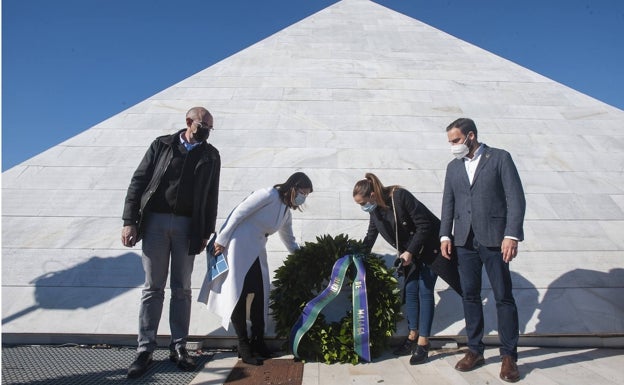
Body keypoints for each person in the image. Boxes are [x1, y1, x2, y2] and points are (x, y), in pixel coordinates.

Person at [121, 107, 221, 379]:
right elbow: (139, 181)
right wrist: (129, 220)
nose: (207, 130)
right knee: (153, 287)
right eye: (203, 125)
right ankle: (145, 349)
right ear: (189, 122)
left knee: (182, 288)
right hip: (154, 222)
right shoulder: (162, 145)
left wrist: (205, 232)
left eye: (211, 127)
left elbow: (212, 195)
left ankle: (179, 347)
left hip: (188, 227)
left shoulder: (211, 155)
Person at [439, 118, 525, 383]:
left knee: (503, 296)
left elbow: (515, 197)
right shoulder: (453, 168)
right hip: (465, 241)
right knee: (470, 296)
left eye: (455, 141)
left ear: (470, 136)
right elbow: (448, 202)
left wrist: (511, 235)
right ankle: (475, 350)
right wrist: (445, 235)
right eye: (450, 142)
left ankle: (509, 356)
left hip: (495, 239)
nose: (453, 146)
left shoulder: (499, 158)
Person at [199, 172, 313, 365]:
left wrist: (304, 256)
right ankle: (244, 345)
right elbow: (239, 212)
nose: (303, 198)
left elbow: (290, 240)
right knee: (238, 294)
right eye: (303, 192)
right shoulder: (268, 194)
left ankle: (258, 341)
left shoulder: (285, 212)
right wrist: (222, 239)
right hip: (237, 246)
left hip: (257, 250)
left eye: (306, 195)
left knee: (260, 294)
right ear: (293, 187)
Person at [353, 173, 460, 365]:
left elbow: (424, 224)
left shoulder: (400, 196)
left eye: (362, 203)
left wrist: (410, 251)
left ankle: (423, 343)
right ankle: (412, 335)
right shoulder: (375, 210)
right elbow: (371, 235)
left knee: (425, 290)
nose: (363, 207)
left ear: (371, 196)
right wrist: (356, 256)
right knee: (410, 290)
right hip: (411, 255)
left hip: (430, 248)